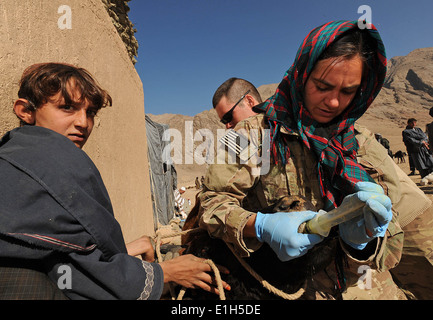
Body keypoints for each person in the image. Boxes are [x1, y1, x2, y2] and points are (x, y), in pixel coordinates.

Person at [193, 21, 409, 300]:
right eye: (323, 86)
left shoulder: (362, 146)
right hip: (290, 290)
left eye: (347, 91)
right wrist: (258, 226)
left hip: (365, 289)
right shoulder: (254, 134)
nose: (333, 102)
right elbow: (212, 203)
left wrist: (364, 242)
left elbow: (392, 239)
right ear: (301, 75)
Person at [0, 62, 229, 300]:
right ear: (25, 110)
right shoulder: (57, 157)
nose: (82, 123)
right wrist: (163, 273)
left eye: (89, 112)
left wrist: (126, 250)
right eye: (67, 107)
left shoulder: (11, 157)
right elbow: (74, 277)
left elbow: (61, 253)